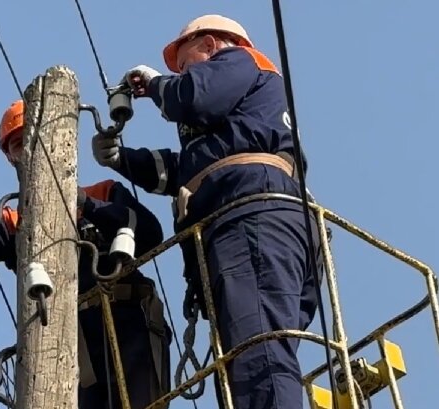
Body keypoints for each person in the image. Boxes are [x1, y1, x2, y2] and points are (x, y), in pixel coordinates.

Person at [91, 14, 323, 409]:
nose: (183, 74)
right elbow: (187, 170)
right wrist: (121, 159)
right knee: (248, 353)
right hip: (266, 220)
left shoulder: (241, 61)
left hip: (250, 218)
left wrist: (157, 84)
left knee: (257, 349)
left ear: (211, 45)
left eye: (185, 65)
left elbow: (193, 97)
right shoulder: (243, 122)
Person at [0, 100, 172, 409]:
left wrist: (84, 203)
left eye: (37, 139)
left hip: (131, 324)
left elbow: (149, 233)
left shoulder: (104, 192)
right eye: (18, 144)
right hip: (69, 346)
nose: (30, 150)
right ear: (10, 157)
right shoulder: (18, 223)